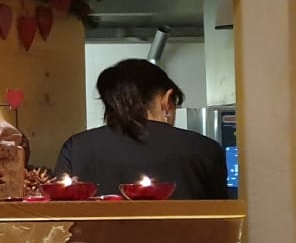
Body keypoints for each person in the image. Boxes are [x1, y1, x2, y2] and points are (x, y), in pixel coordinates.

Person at [54, 59, 228, 199]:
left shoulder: (76, 148)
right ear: (167, 100)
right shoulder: (204, 148)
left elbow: (60, 216)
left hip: (92, 235)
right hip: (186, 235)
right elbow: (222, 220)